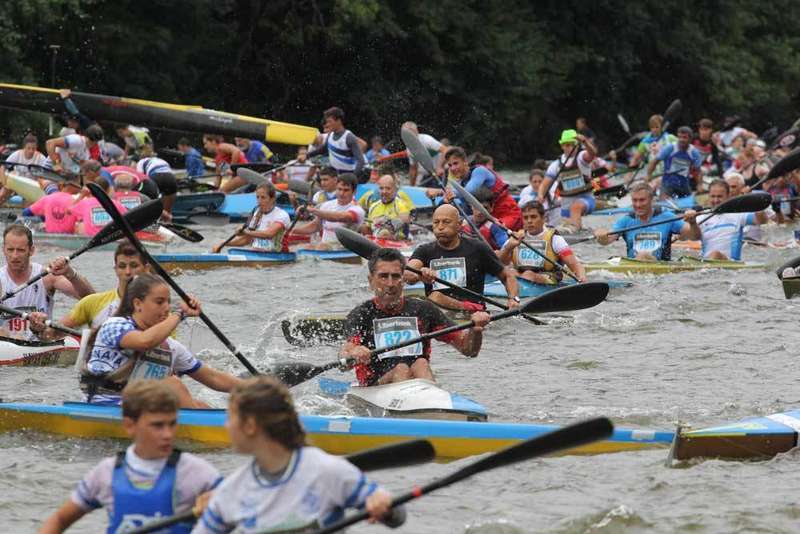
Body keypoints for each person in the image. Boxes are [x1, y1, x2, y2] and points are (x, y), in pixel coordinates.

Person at [194, 376, 402, 533]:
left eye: (230, 417)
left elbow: (398, 518)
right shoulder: (232, 490)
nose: (226, 426)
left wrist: (385, 506)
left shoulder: (328, 471)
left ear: (249, 426)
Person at [39, 380, 222, 534]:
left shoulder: (197, 473)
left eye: (172, 424)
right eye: (157, 426)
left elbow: (246, 509)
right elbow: (59, 519)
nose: (168, 434)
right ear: (129, 425)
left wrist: (221, 505)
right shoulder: (106, 473)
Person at [80, 273, 244, 407]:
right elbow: (145, 342)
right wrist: (181, 314)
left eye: (168, 302)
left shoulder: (171, 346)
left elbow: (212, 377)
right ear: (138, 304)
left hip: (137, 409)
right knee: (174, 385)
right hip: (102, 406)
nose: (166, 308)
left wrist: (257, 388)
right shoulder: (114, 325)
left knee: (202, 406)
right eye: (159, 302)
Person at [341, 248, 490, 387]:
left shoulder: (423, 309)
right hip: (375, 386)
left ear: (403, 280)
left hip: (418, 382)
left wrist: (476, 330)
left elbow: (469, 349)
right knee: (401, 369)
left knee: (421, 363)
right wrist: (354, 352)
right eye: (383, 276)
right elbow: (345, 355)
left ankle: (433, 406)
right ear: (371, 281)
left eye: (396, 276)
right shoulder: (360, 314)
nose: (391, 284)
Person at [406, 204, 519, 311]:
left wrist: (513, 299)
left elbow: (507, 275)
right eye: (436, 222)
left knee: (436, 297)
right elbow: (407, 274)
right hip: (439, 313)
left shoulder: (478, 248)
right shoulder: (424, 250)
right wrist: (420, 274)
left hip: (473, 311)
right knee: (431, 298)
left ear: (459, 225)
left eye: (446, 222)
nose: (440, 227)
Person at [30, 242, 150, 339]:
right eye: (122, 266)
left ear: (146, 269)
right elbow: (50, 335)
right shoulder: (92, 303)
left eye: (134, 266)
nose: (128, 272)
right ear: (115, 269)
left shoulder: (158, 306)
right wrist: (38, 328)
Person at [0, 224, 94, 340]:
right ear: (3, 249)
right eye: (10, 250)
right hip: (5, 343)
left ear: (31, 250)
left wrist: (69, 273)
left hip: (41, 342)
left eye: (20, 250)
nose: (14, 256)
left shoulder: (47, 277)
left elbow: (90, 298)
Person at [593, 182, 700, 260]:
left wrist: (693, 222)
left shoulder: (667, 217)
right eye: (635, 200)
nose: (638, 205)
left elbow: (695, 236)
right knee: (641, 256)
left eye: (642, 200)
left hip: (662, 271)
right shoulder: (626, 220)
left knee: (643, 255)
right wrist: (601, 234)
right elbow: (606, 241)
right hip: (635, 271)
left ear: (651, 200)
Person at [498, 200, 587, 284]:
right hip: (521, 275)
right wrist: (508, 247)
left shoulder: (555, 239)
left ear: (543, 218)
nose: (529, 221)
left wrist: (581, 278)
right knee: (509, 272)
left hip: (549, 277)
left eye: (533, 217)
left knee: (528, 274)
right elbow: (500, 263)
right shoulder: (516, 237)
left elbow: (573, 263)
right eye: (525, 218)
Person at [446, 146, 522, 231]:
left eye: (456, 163)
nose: (452, 168)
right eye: (450, 165)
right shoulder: (461, 184)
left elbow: (468, 191)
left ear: (465, 162)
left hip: (508, 214)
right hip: (489, 218)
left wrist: (441, 192)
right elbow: (467, 212)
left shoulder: (480, 171)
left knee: (488, 231)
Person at [538, 129, 597, 232]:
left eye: (571, 144)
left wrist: (585, 142)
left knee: (576, 207)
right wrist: (540, 195)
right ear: (562, 146)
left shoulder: (581, 157)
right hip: (566, 202)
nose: (568, 147)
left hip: (587, 199)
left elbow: (592, 154)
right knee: (565, 223)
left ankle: (575, 229)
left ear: (576, 145)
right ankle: (578, 229)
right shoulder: (556, 165)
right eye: (566, 145)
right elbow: (544, 185)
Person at [695, 179, 767, 260]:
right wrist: (691, 222)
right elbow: (689, 236)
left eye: (719, 196)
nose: (716, 200)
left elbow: (762, 220)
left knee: (715, 254)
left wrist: (754, 202)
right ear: (708, 196)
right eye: (713, 196)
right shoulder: (701, 217)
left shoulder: (738, 213)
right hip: (705, 264)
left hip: (731, 263)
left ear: (728, 196)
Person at [290, 173, 365, 248]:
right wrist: (293, 231)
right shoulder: (326, 205)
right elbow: (316, 226)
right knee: (307, 247)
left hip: (344, 249)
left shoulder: (357, 210)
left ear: (354, 191)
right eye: (339, 189)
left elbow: (338, 217)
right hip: (325, 248)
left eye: (346, 190)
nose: (342, 193)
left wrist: (313, 210)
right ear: (336, 188)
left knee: (320, 247)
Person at [211, 182, 290, 253]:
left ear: (272, 199)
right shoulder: (256, 214)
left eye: (263, 197)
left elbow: (268, 234)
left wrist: (245, 232)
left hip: (277, 256)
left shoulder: (281, 215)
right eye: (257, 197)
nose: (259, 201)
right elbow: (246, 240)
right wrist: (224, 244)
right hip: (256, 254)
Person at [307, 107, 366, 180]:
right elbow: (323, 149)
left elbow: (361, 161)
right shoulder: (330, 135)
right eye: (327, 122)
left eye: (330, 121)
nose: (328, 124)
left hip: (347, 176)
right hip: (335, 175)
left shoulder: (349, 137)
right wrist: (307, 155)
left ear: (339, 121)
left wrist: (352, 177)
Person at [646, 126, 704, 199]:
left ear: (690, 139)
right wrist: (648, 175)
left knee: (691, 205)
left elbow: (699, 171)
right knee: (664, 205)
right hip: (667, 183)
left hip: (684, 184)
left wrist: (700, 184)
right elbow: (654, 162)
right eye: (679, 137)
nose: (681, 140)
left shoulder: (694, 152)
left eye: (684, 137)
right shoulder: (670, 148)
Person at [359, 174, 412, 240]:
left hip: (397, 242)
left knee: (385, 232)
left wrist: (388, 224)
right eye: (381, 188)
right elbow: (368, 229)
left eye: (388, 188)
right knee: (362, 227)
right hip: (378, 241)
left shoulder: (401, 205)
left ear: (394, 189)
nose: (384, 191)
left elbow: (405, 222)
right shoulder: (373, 206)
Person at [401, 121, 449, 186]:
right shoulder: (409, 149)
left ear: (416, 131)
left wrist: (440, 167)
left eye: (410, 131)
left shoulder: (427, 140)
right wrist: (412, 186)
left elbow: (445, 150)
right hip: (428, 175)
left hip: (441, 172)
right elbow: (413, 169)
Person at [136, 148, 179, 219]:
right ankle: (167, 220)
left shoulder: (141, 162)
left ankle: (152, 220)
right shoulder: (160, 160)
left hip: (156, 176)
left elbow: (141, 178)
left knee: (151, 204)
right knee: (167, 210)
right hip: (171, 178)